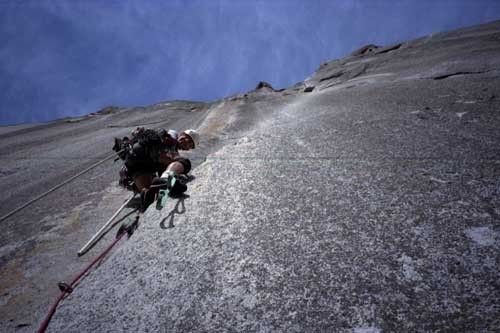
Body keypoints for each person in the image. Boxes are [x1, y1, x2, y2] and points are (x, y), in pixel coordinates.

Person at [113, 127, 200, 211]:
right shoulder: (170, 136)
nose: (186, 143)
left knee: (149, 192)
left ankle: (148, 199)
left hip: (136, 163)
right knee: (185, 162)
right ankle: (166, 179)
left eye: (190, 145)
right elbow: (163, 153)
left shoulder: (169, 142)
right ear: (182, 134)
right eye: (186, 139)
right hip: (146, 155)